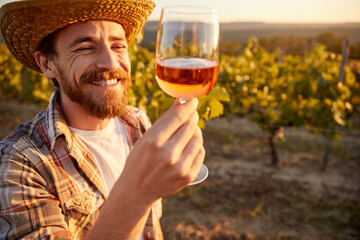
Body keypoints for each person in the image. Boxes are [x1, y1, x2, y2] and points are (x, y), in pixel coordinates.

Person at [0, 0, 205, 239]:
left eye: (118, 46)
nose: (110, 62)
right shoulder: (19, 164)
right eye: (85, 48)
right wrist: (139, 192)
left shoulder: (138, 122)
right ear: (47, 64)